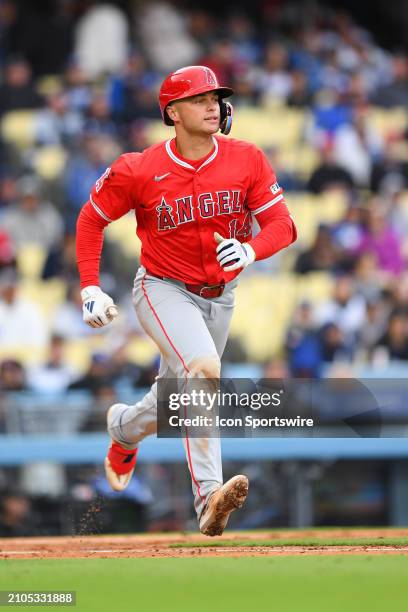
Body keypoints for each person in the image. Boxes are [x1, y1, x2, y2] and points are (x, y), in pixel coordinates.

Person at [76, 65, 297, 536]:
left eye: (216, 98)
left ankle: (124, 429)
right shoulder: (138, 168)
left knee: (176, 399)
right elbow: (90, 220)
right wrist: (90, 286)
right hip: (162, 288)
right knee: (203, 370)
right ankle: (209, 497)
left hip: (221, 296)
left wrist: (252, 249)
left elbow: (284, 224)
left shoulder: (247, 159)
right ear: (172, 112)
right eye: (199, 99)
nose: (212, 106)